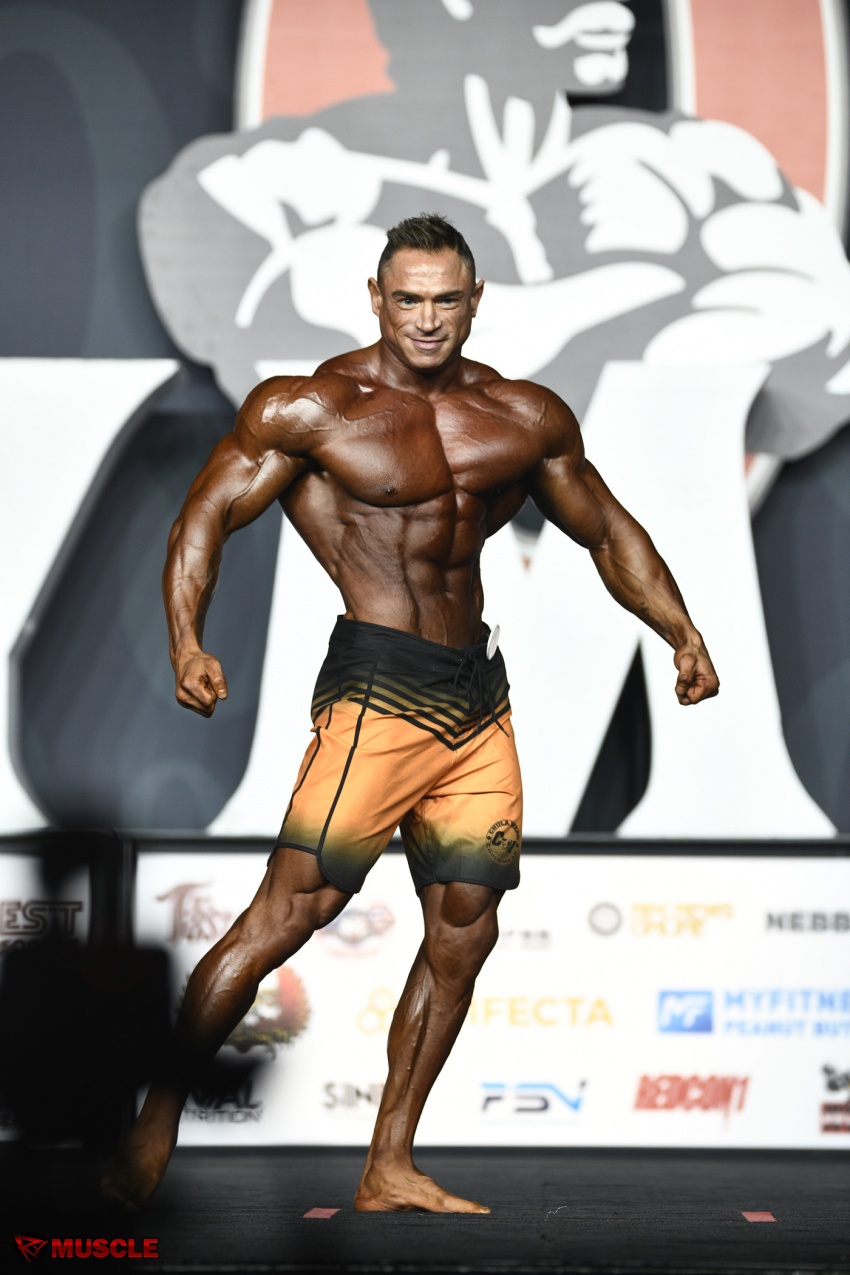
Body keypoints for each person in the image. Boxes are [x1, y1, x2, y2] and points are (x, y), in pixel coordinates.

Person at [103, 213, 718, 1215]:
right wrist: (187, 640)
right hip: (377, 689)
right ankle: (155, 1120)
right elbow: (204, 514)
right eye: (408, 299)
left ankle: (389, 1160)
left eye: (444, 300)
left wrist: (679, 631)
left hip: (478, 698)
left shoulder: (522, 415)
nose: (426, 318)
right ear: (376, 300)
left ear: (473, 302)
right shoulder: (312, 408)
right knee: (289, 913)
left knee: (465, 929)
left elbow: (606, 530)